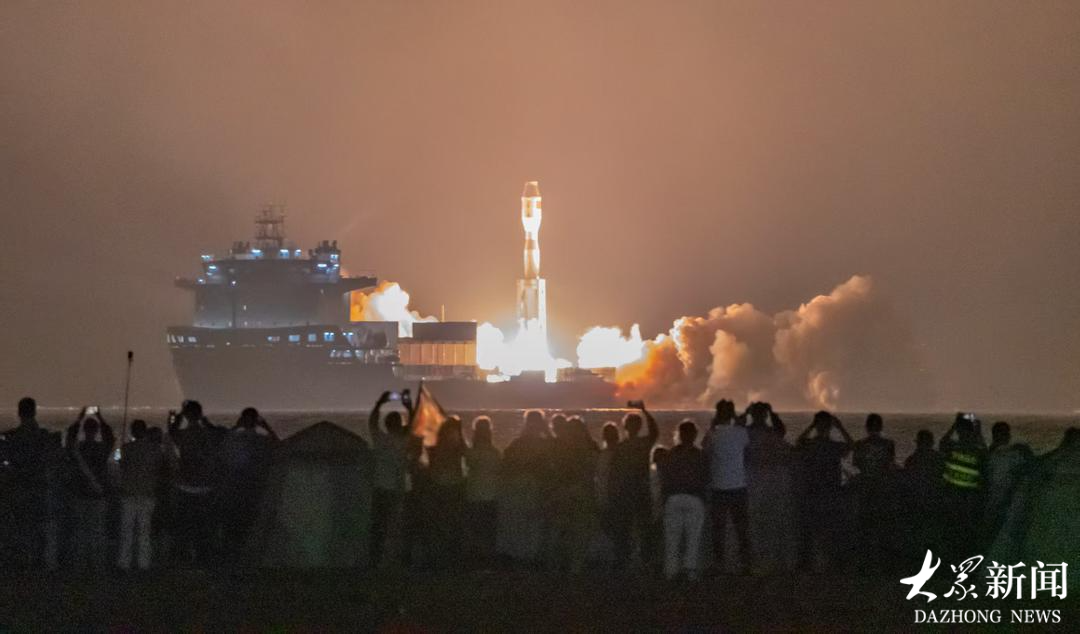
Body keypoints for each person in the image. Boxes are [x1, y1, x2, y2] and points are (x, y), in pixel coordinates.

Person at [2, 397, 61, 570]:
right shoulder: (44, 436)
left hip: (19, 486)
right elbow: (51, 459)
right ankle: (39, 560)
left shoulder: (12, 437)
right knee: (39, 525)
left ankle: (25, 559)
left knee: (21, 525)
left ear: (19, 413)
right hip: (39, 486)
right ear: (34, 412)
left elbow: (7, 460)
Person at [167, 400, 225, 566]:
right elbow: (221, 435)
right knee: (203, 526)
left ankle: (182, 558)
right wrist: (206, 423)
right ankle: (202, 559)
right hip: (205, 486)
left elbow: (172, 432)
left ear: (186, 415)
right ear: (200, 414)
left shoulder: (184, 435)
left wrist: (177, 417)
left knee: (183, 525)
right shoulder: (209, 435)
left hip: (185, 485)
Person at [217, 407, 278, 562]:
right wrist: (266, 427)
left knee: (231, 523)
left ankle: (229, 555)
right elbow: (278, 447)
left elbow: (221, 449)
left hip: (235, 487)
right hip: (253, 487)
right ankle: (242, 556)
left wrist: (235, 427)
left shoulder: (235, 439)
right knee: (247, 522)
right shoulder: (261, 441)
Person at [795, 411, 853, 572]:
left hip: (813, 491)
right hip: (830, 491)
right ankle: (832, 563)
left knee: (809, 529)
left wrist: (811, 426)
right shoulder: (834, 447)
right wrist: (840, 427)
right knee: (830, 529)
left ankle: (807, 563)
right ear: (830, 427)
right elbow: (851, 445)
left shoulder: (810, 444)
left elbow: (798, 442)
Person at [609, 401, 659, 571]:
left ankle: (623, 560)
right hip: (641, 490)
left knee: (624, 529)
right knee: (644, 527)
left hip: (625, 492)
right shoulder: (643, 444)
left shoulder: (620, 448)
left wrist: (612, 494)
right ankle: (645, 560)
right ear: (639, 427)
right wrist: (645, 411)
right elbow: (655, 432)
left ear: (625, 427)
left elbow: (614, 473)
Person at [369, 390, 416, 568]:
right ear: (399, 424)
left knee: (379, 526)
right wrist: (409, 406)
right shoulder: (403, 442)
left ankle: (375, 560)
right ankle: (399, 560)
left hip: (381, 487)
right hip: (399, 489)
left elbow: (372, 422)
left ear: (387, 425)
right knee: (398, 526)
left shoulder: (380, 440)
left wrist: (379, 403)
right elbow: (413, 424)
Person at [703, 399, 751, 574]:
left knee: (718, 528)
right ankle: (745, 563)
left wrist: (712, 425)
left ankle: (719, 563)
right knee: (741, 528)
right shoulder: (741, 433)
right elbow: (746, 443)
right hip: (738, 485)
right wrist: (739, 419)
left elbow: (705, 448)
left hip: (719, 486)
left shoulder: (713, 434)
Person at [65, 407, 115, 574]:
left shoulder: (78, 449)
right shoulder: (101, 450)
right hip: (98, 495)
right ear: (96, 431)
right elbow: (110, 438)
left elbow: (69, 439)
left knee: (80, 530)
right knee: (98, 531)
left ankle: (79, 564)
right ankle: (98, 564)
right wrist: (101, 417)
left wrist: (79, 419)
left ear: (84, 430)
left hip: (80, 494)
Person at [498, 410, 552, 563]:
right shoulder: (543, 444)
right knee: (531, 522)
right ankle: (529, 555)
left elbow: (506, 464)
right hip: (532, 486)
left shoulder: (517, 444)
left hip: (523, 486)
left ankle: (521, 554)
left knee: (522, 522)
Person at [546, 416, 598, 573]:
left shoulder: (562, 447)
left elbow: (556, 470)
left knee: (561, 531)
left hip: (566, 492)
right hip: (580, 492)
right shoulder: (590, 447)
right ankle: (574, 566)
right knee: (578, 532)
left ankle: (559, 565)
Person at [659, 420, 708, 581]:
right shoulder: (700, 455)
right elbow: (705, 477)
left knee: (672, 539)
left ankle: (671, 571)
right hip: (694, 497)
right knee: (693, 538)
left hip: (673, 497)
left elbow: (664, 478)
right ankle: (690, 570)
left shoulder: (670, 454)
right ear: (695, 435)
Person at [116, 419, 165, 571]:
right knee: (144, 531)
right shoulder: (155, 449)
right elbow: (159, 467)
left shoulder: (126, 448)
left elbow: (121, 465)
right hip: (148, 494)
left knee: (127, 530)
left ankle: (124, 563)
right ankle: (143, 563)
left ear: (132, 431)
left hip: (129, 494)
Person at [851, 413, 897, 572]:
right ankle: (883, 563)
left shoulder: (860, 445)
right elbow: (890, 465)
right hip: (882, 489)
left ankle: (864, 563)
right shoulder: (889, 444)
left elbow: (857, 464)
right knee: (882, 526)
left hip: (865, 489)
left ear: (866, 427)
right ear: (881, 427)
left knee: (864, 526)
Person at [938, 413, 988, 561]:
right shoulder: (977, 450)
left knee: (952, 533)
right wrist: (979, 433)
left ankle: (951, 562)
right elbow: (986, 456)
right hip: (969, 498)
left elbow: (942, 442)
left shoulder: (953, 447)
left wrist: (955, 425)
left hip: (952, 496)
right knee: (966, 534)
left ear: (959, 431)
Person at [427, 416, 467, 570]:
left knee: (440, 521)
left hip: (439, 484)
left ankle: (438, 555)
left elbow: (432, 467)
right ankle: (452, 555)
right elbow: (466, 454)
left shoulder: (435, 446)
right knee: (453, 520)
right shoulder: (457, 446)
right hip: (454, 484)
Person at [464, 416, 501, 566]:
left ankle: (475, 557)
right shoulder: (494, 452)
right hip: (491, 493)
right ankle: (487, 557)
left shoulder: (474, 452)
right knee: (488, 527)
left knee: (475, 526)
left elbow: (469, 463)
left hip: (474, 493)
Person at [982, 421, 1026, 546]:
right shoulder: (1014, 455)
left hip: (991, 504)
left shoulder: (989, 456)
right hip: (1007, 505)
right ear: (1006, 436)